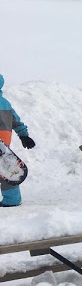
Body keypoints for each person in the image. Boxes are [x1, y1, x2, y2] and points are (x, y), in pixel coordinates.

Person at [0, 74, 35, 207]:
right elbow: (16, 121)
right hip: (4, 142)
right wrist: (24, 136)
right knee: (6, 169)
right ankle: (12, 199)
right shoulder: (6, 103)